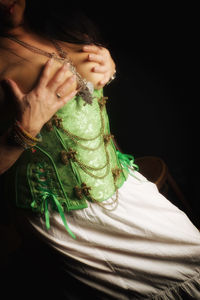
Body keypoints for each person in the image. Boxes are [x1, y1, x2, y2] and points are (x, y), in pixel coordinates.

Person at [0, 1, 200, 299]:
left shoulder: (61, 26)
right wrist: (24, 129)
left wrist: (110, 68)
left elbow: (89, 90)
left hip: (123, 185)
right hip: (68, 220)